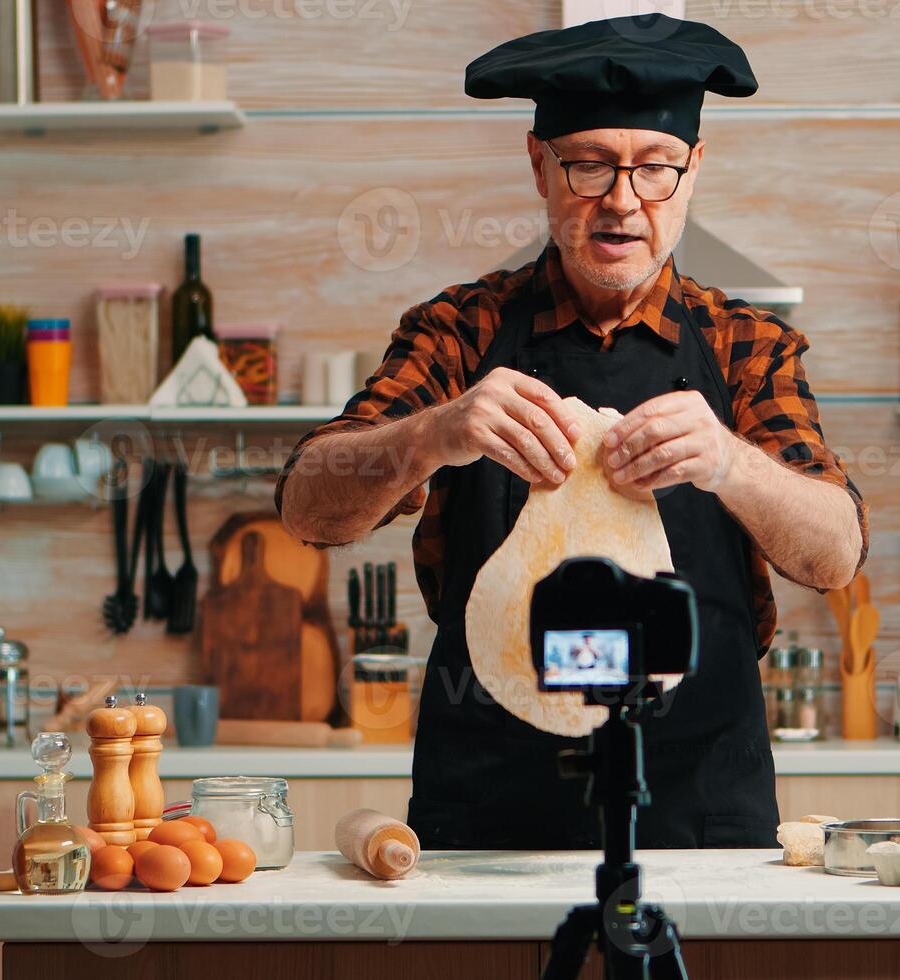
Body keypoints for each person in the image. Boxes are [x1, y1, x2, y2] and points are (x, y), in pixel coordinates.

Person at [279, 14, 866, 848]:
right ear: (539, 166)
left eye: (655, 168)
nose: (623, 201)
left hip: (699, 814)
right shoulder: (459, 330)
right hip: (487, 812)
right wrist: (433, 435)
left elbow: (835, 553)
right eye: (589, 165)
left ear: (694, 170)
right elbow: (308, 507)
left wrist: (731, 464)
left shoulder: (746, 345)